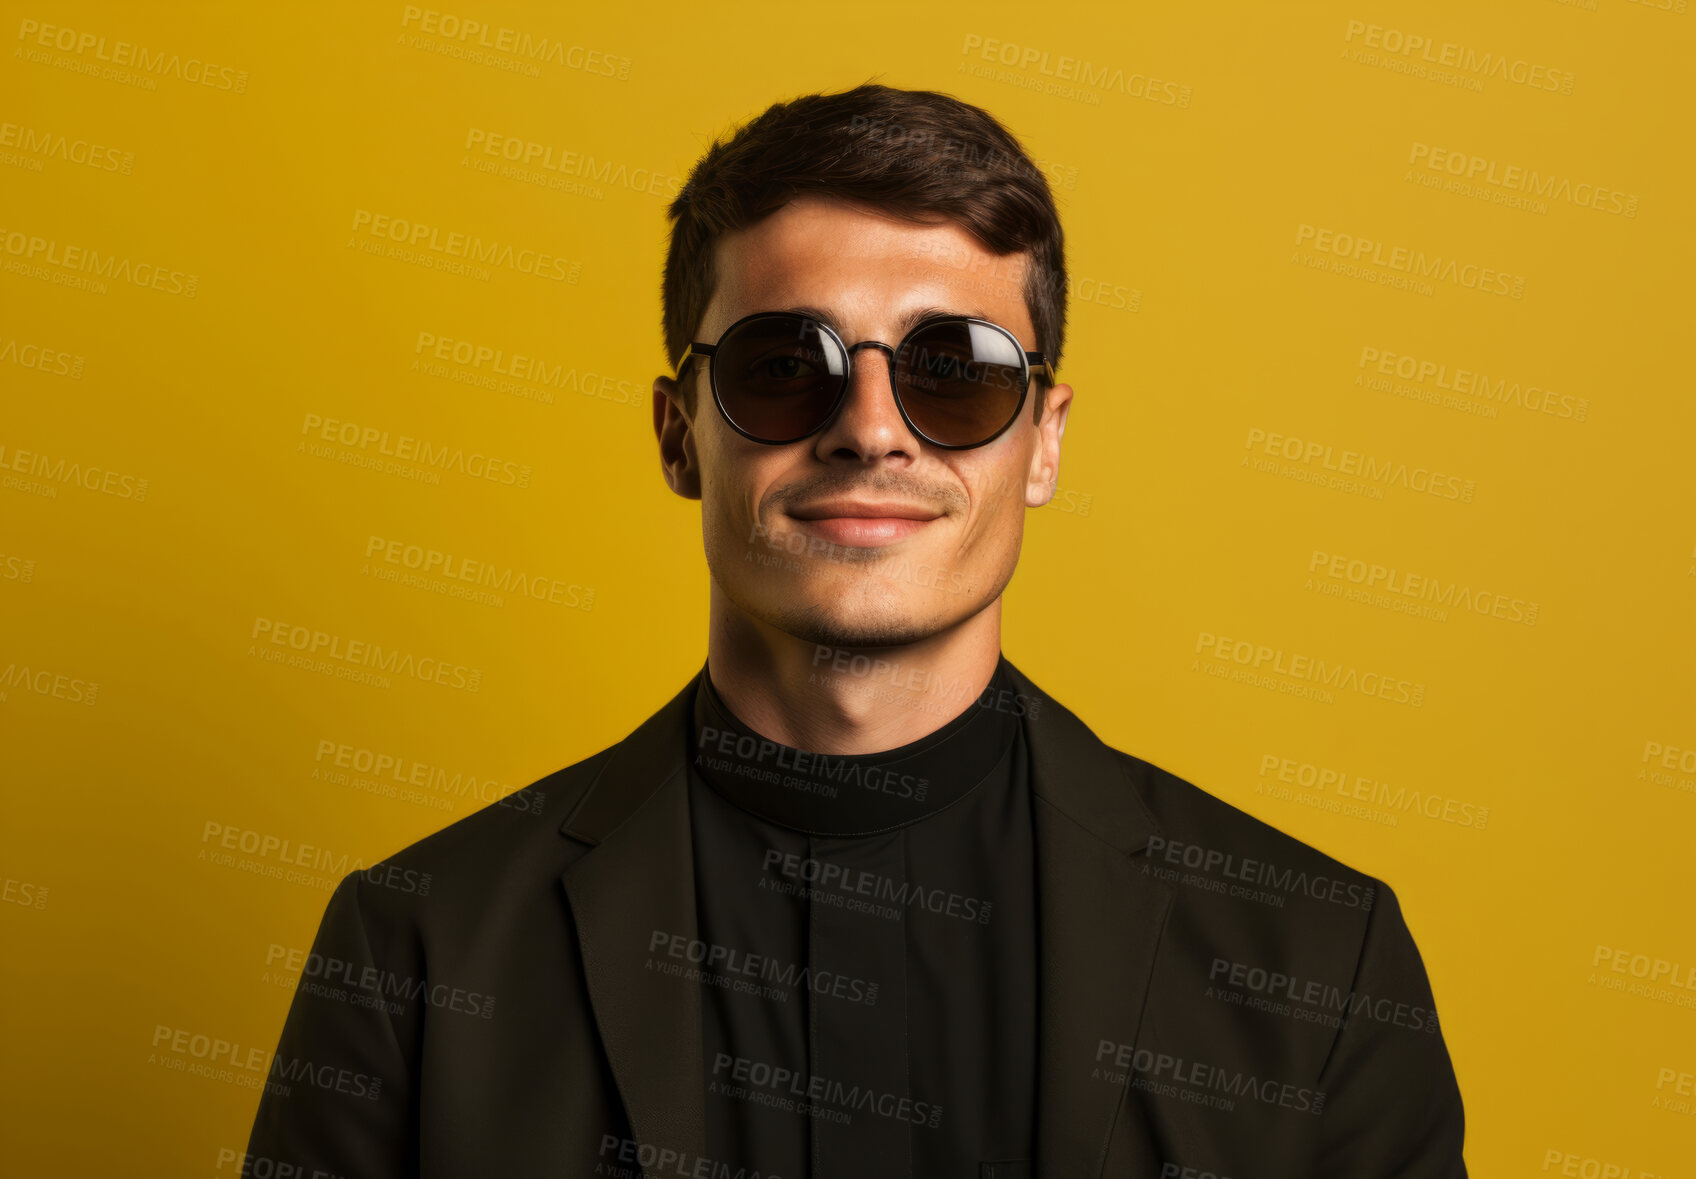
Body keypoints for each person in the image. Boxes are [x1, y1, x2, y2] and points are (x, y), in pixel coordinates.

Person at [244, 82, 1466, 1178]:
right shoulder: (419, 948)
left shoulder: (1315, 967)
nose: (872, 428)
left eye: (957, 369)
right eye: (787, 364)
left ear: (1042, 440)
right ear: (680, 434)